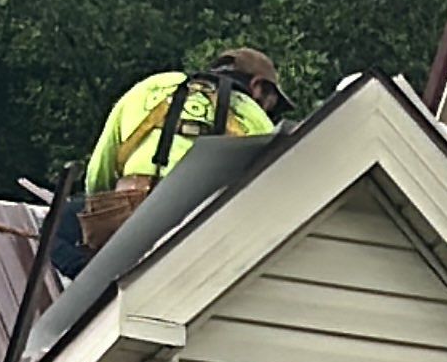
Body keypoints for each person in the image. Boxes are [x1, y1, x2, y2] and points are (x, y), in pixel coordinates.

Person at [74, 48, 292, 255]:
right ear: (257, 86)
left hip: (130, 212)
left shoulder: (149, 87)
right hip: (201, 223)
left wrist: (102, 215)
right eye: (269, 103)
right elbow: (275, 195)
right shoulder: (255, 116)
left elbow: (97, 172)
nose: (268, 110)